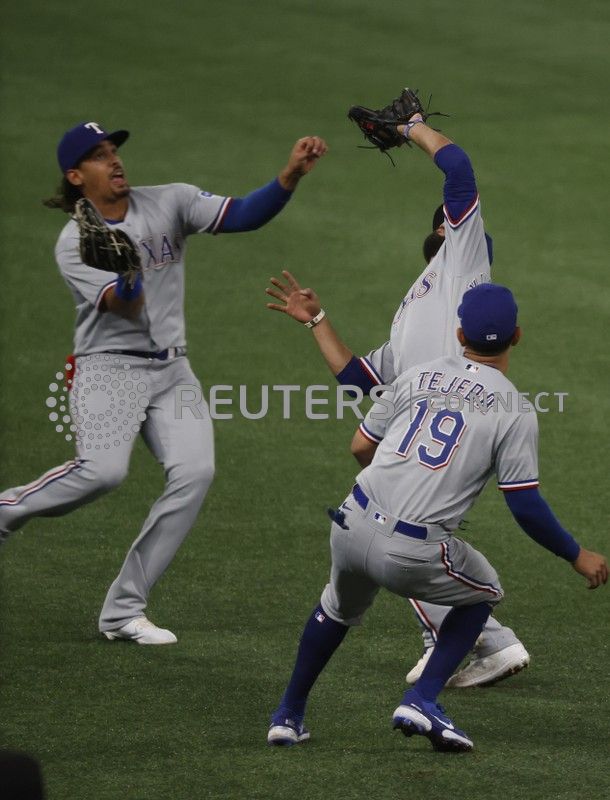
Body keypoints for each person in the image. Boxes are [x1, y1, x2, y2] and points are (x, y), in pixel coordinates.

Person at [0, 121, 327, 644]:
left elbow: (243, 215)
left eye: (114, 150)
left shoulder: (170, 201)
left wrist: (289, 176)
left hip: (173, 371)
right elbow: (125, 307)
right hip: (108, 368)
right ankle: (7, 510)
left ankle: (123, 610)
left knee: (196, 472)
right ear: (76, 176)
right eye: (99, 155)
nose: (114, 160)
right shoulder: (73, 242)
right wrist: (130, 272)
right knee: (103, 472)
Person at [267, 283, 607, 751]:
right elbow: (525, 505)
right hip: (410, 551)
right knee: (484, 590)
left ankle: (288, 716)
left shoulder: (420, 373)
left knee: (336, 610)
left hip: (350, 521)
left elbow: (361, 445)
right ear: (518, 336)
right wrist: (576, 555)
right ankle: (423, 698)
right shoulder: (514, 409)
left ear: (459, 333)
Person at [266, 110, 529, 687]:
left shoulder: (464, 262)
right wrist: (317, 322)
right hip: (428, 439)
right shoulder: (420, 301)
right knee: (397, 533)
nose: (445, 225)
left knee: (387, 531)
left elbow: (458, 170)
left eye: (450, 222)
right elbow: (360, 377)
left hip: (447, 432)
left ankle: (479, 641)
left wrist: (413, 128)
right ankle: (478, 640)